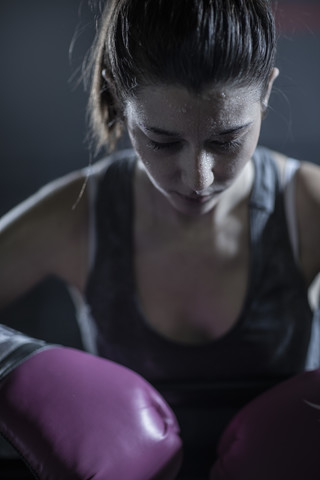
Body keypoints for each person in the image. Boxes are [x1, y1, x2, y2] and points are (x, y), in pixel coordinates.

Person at [0, 0, 320, 477]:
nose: (198, 177)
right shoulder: (79, 215)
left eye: (225, 139)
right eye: (163, 140)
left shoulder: (305, 208)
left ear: (266, 95)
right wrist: (18, 368)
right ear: (117, 94)